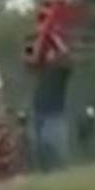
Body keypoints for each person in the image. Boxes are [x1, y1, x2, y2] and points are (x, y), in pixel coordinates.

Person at [31, 39, 73, 172]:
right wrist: (41, 38)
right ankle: (48, 172)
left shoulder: (62, 70)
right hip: (39, 113)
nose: (48, 55)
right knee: (41, 147)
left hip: (54, 114)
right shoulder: (41, 69)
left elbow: (66, 54)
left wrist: (54, 38)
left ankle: (63, 170)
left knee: (55, 144)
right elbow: (30, 56)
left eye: (51, 52)